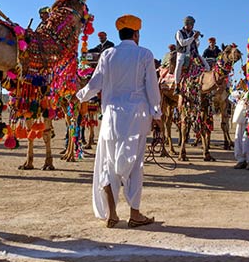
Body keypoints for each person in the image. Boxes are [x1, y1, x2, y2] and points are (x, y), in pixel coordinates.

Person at [76, 14, 162, 229]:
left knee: (109, 163)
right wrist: (158, 115)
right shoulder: (145, 54)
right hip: (137, 118)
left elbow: (95, 83)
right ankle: (134, 214)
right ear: (136, 34)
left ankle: (112, 214)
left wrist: (80, 96)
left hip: (112, 117)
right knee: (135, 165)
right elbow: (152, 88)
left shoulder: (108, 54)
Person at [230, 79, 249, 169]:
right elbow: (232, 94)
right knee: (238, 139)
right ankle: (241, 160)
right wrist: (241, 88)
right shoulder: (241, 90)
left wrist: (248, 89)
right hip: (241, 118)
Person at [174, 16, 206, 85]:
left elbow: (197, 45)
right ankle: (176, 84)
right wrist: (193, 37)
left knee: (205, 64)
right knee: (179, 64)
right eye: (191, 25)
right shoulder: (179, 32)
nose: (192, 27)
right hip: (182, 53)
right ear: (187, 24)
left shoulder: (193, 33)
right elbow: (182, 43)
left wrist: (197, 39)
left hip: (192, 53)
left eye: (193, 25)